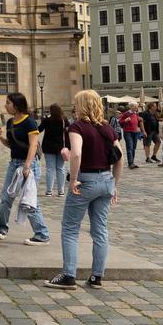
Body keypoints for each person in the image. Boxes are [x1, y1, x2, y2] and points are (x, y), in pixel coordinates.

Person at [45, 89, 121, 289]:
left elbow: (77, 154)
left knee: (70, 229)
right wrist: (115, 184)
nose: (73, 107)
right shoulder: (107, 128)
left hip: (85, 181)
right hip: (106, 181)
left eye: (76, 103)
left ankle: (69, 275)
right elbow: (119, 156)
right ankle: (97, 277)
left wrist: (73, 179)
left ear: (81, 106)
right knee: (100, 230)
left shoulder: (77, 127)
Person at [0, 91, 49, 243]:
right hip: (14, 164)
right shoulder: (10, 122)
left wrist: (27, 165)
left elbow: (33, 145)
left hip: (28, 165)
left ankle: (42, 234)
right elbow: (11, 145)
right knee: (6, 197)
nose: (6, 105)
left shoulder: (29, 122)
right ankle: (1, 228)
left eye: (8, 103)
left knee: (29, 200)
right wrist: (0, 137)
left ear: (17, 105)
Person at [40, 103, 68, 195]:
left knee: (50, 169)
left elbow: (39, 129)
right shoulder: (64, 120)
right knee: (61, 169)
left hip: (48, 147)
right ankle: (61, 191)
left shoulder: (47, 120)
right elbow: (68, 132)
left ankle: (49, 191)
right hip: (61, 147)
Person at [120, 103, 142, 168]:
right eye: (135, 107)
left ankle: (132, 162)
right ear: (131, 107)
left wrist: (139, 120)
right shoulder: (126, 114)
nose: (137, 108)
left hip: (135, 132)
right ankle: (130, 163)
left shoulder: (135, 113)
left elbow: (137, 122)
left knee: (133, 148)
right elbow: (120, 122)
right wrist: (125, 120)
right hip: (128, 132)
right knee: (130, 147)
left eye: (137, 107)